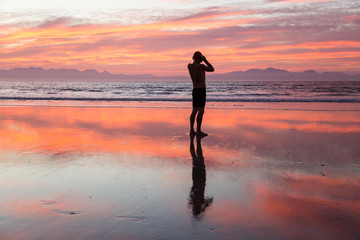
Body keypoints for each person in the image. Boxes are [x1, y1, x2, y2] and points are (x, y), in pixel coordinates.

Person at [188, 51, 214, 136]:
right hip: (201, 90)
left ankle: (192, 130)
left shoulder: (189, 66)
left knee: (194, 110)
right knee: (201, 111)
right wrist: (205, 60)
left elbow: (194, 64)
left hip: (195, 90)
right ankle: (198, 130)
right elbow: (212, 69)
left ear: (193, 57)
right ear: (200, 58)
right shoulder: (201, 66)